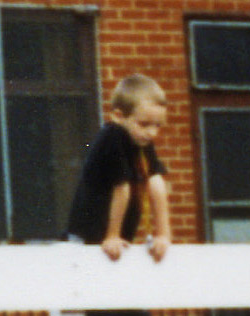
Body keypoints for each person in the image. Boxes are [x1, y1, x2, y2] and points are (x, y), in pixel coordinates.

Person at [64, 71, 173, 263]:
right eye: (144, 124)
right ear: (118, 116)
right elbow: (121, 187)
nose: (152, 133)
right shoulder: (113, 136)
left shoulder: (140, 140)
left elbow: (155, 183)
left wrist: (163, 235)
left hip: (111, 239)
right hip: (85, 238)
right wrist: (112, 235)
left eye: (157, 126)